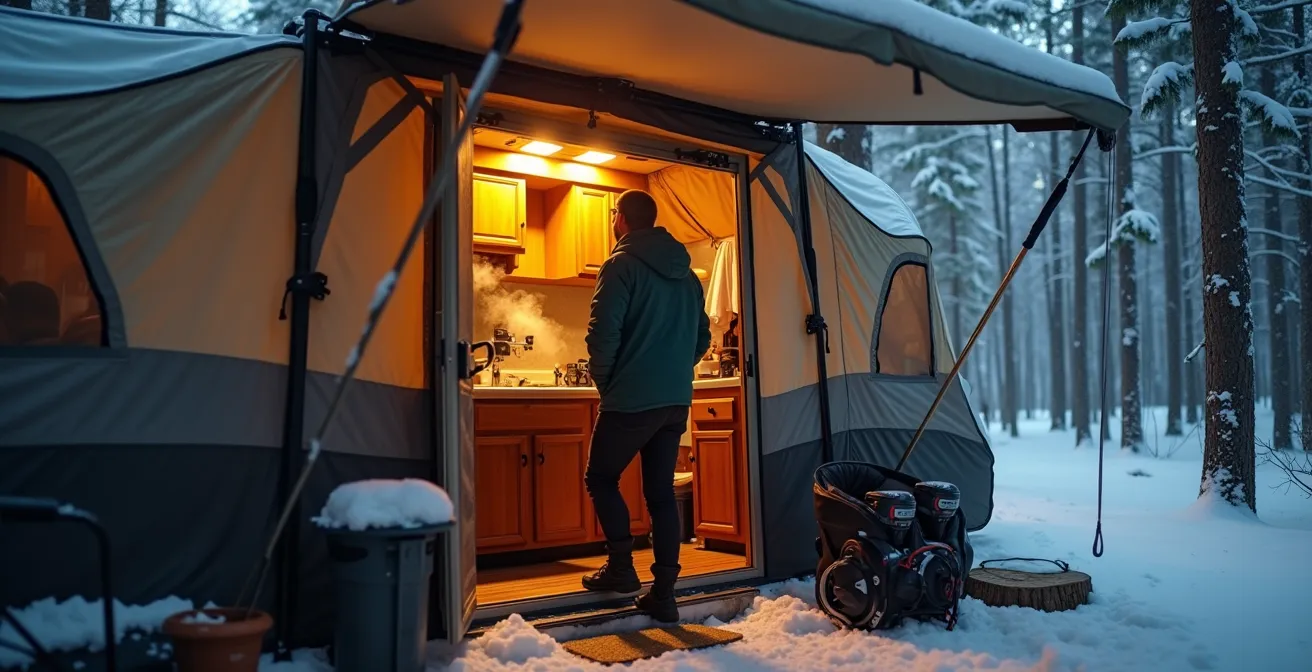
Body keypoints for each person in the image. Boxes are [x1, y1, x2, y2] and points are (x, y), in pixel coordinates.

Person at [581, 189, 711, 622]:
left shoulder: (620, 265)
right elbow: (702, 339)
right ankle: (665, 595)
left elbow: (603, 334)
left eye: (613, 214)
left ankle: (621, 569)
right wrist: (673, 372)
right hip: (675, 401)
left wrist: (608, 383)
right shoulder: (687, 275)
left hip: (632, 398)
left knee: (600, 477)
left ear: (620, 218)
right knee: (660, 494)